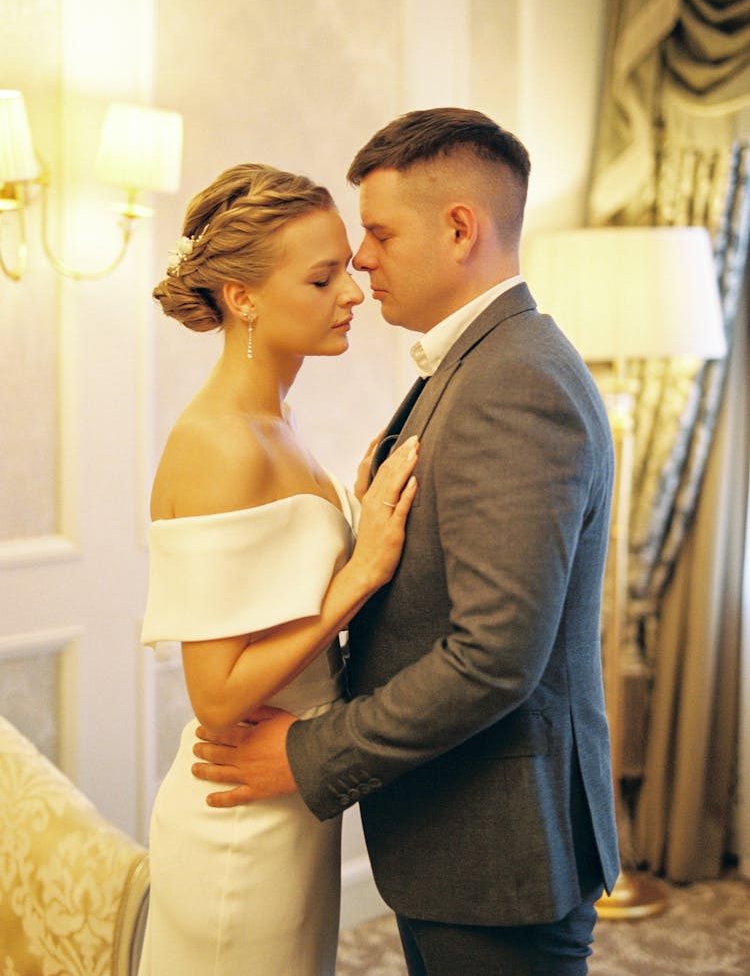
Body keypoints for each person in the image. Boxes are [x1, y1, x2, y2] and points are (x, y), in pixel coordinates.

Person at [192, 109, 621, 976]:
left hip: (497, 848)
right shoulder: (480, 366)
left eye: (380, 232)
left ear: (461, 228)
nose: (360, 259)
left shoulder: (513, 382)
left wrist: (308, 752)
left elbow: (494, 656)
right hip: (458, 835)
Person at [138, 162, 419, 976]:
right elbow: (216, 695)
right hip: (237, 827)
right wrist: (359, 573)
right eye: (323, 276)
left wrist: (359, 515)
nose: (354, 293)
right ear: (243, 296)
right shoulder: (221, 441)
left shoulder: (277, 418)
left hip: (290, 800)